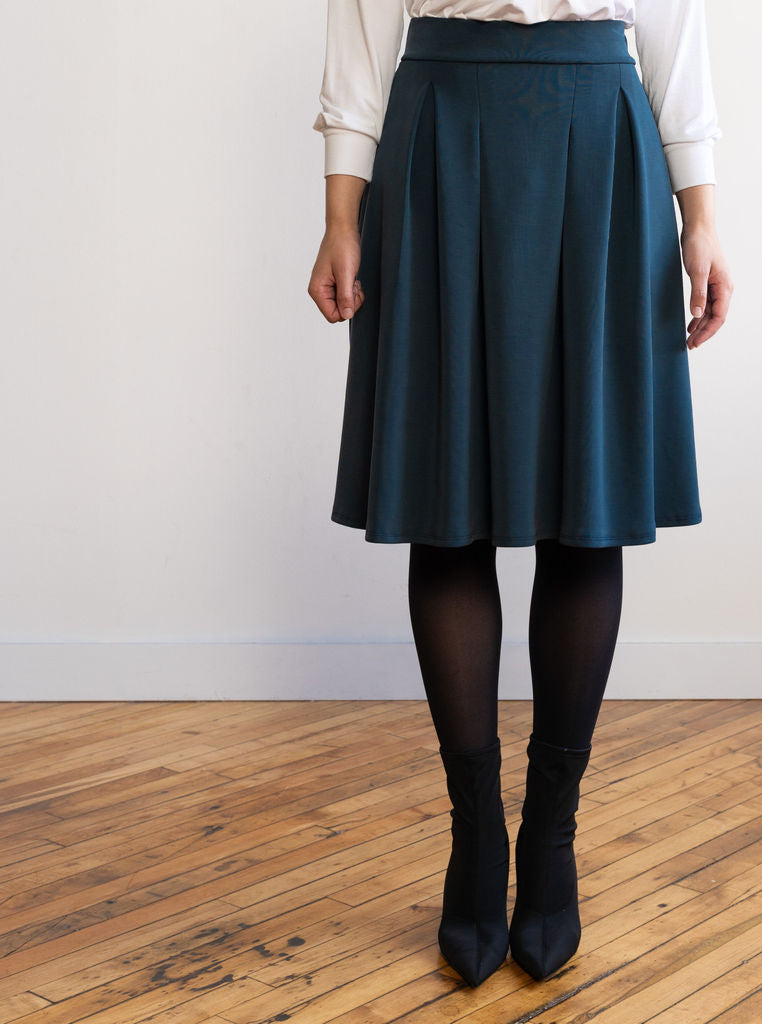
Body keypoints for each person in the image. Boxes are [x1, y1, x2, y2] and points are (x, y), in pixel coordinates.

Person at [307, 0, 733, 988]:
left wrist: (700, 213)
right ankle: (475, 835)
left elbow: (675, 29)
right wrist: (339, 215)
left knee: (584, 508)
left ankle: (550, 833)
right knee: (444, 503)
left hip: (600, 147)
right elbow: (361, 35)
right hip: (439, 135)